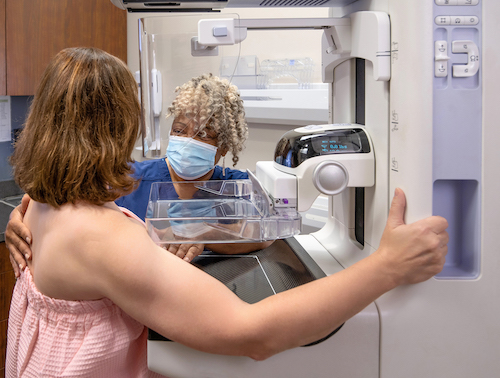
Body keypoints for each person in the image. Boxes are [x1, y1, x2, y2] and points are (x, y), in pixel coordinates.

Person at [7, 47, 448, 377]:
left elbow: (265, 226)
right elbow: (252, 333)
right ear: (120, 127)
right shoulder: (105, 235)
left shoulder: (43, 205)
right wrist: (387, 267)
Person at [6, 73, 273, 267]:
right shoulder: (127, 179)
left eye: (203, 134)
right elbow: (62, 201)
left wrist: (203, 230)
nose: (188, 141)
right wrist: (21, 214)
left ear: (224, 147)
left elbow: (267, 234)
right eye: (179, 131)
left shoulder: (236, 187)